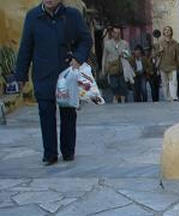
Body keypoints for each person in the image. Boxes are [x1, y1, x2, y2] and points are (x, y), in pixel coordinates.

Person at [15, 0, 92, 166]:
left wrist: (78, 58)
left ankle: (68, 151)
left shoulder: (72, 15)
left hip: (67, 74)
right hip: (43, 75)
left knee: (68, 113)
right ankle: (49, 154)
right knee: (45, 113)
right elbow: (26, 47)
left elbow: (86, 41)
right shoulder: (33, 17)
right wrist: (21, 75)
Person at [102, 26, 130, 103]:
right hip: (112, 67)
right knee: (113, 85)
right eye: (115, 32)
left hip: (122, 67)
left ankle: (122, 98)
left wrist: (124, 54)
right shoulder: (107, 44)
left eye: (118, 33)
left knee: (122, 84)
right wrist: (104, 68)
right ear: (112, 33)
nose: (117, 34)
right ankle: (116, 96)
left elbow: (128, 55)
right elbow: (104, 57)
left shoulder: (124, 43)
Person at [157, 26, 179, 101]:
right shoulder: (160, 42)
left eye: (168, 30)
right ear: (163, 32)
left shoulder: (175, 43)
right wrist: (159, 51)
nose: (167, 31)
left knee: (173, 82)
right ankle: (167, 97)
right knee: (165, 83)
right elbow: (154, 54)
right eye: (165, 30)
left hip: (172, 66)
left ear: (171, 32)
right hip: (163, 66)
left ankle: (174, 97)